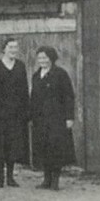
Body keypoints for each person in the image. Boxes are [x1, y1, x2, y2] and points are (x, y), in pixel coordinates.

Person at [30, 46, 76, 191]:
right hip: (40, 119)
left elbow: (69, 96)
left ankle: (55, 181)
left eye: (45, 58)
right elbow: (33, 98)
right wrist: (32, 115)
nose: (42, 61)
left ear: (51, 58)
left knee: (56, 148)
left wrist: (69, 117)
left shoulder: (60, 74)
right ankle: (46, 180)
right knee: (43, 148)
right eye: (40, 58)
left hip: (57, 118)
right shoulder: (36, 76)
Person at [0, 37, 30, 187]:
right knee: (0, 144)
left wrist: (25, 112)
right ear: (4, 49)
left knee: (13, 144)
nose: (13, 50)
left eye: (15, 47)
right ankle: (0, 177)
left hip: (15, 113)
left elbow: (24, 90)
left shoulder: (20, 66)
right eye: (10, 47)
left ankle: (10, 177)